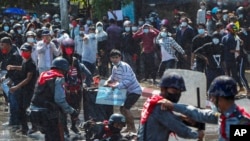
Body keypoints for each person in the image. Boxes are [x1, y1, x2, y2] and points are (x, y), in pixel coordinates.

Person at [159, 75, 250, 141]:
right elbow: (199, 113)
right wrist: (174, 106)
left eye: (213, 97)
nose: (212, 101)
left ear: (221, 98)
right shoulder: (223, 115)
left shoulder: (241, 123)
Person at [137, 72, 204, 141]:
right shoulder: (160, 106)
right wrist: (197, 134)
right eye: (174, 91)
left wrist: (182, 118)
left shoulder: (152, 101)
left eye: (179, 92)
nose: (177, 95)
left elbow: (165, 120)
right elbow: (179, 129)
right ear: (163, 89)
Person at [28, 57, 79, 141]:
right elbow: (59, 100)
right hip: (48, 114)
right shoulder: (59, 78)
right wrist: (72, 111)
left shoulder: (43, 74)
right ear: (64, 69)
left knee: (49, 137)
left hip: (34, 112)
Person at [59, 38, 92, 137]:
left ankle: (73, 126)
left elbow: (87, 73)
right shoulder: (59, 61)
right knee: (64, 110)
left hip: (76, 90)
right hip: (64, 90)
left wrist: (86, 83)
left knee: (76, 109)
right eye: (67, 48)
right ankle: (65, 129)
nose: (68, 50)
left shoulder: (75, 60)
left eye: (70, 48)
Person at [105, 49, 142, 133]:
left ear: (120, 58)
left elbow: (128, 81)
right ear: (110, 58)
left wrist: (116, 86)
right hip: (126, 91)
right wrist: (108, 81)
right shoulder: (114, 67)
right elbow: (113, 77)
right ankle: (128, 127)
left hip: (134, 90)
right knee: (122, 109)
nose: (115, 59)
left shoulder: (125, 66)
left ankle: (133, 128)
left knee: (126, 108)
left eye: (116, 57)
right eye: (113, 58)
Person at [6, 43, 38, 135]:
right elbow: (23, 68)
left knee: (27, 109)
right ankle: (24, 128)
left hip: (29, 90)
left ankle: (34, 126)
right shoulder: (25, 61)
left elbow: (28, 79)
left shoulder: (31, 63)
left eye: (26, 51)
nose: (24, 52)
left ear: (30, 52)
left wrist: (16, 87)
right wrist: (13, 67)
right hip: (23, 90)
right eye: (23, 51)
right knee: (21, 108)